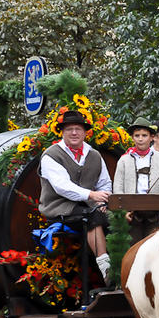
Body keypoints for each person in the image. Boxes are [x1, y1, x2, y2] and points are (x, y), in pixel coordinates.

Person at [38, 109, 114, 284]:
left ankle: (124, 266)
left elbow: (104, 183)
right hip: (59, 207)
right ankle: (106, 268)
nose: (74, 133)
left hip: (87, 205)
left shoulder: (94, 155)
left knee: (117, 217)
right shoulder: (51, 155)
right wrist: (92, 195)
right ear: (62, 132)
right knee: (92, 216)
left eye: (78, 129)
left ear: (85, 132)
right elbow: (62, 187)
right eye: (69, 129)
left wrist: (102, 201)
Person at [114, 117, 159, 243]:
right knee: (134, 245)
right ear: (132, 138)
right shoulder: (124, 160)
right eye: (137, 135)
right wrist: (123, 211)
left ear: (151, 137)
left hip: (154, 211)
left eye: (144, 135)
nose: (141, 138)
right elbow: (118, 188)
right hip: (132, 212)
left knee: (154, 245)